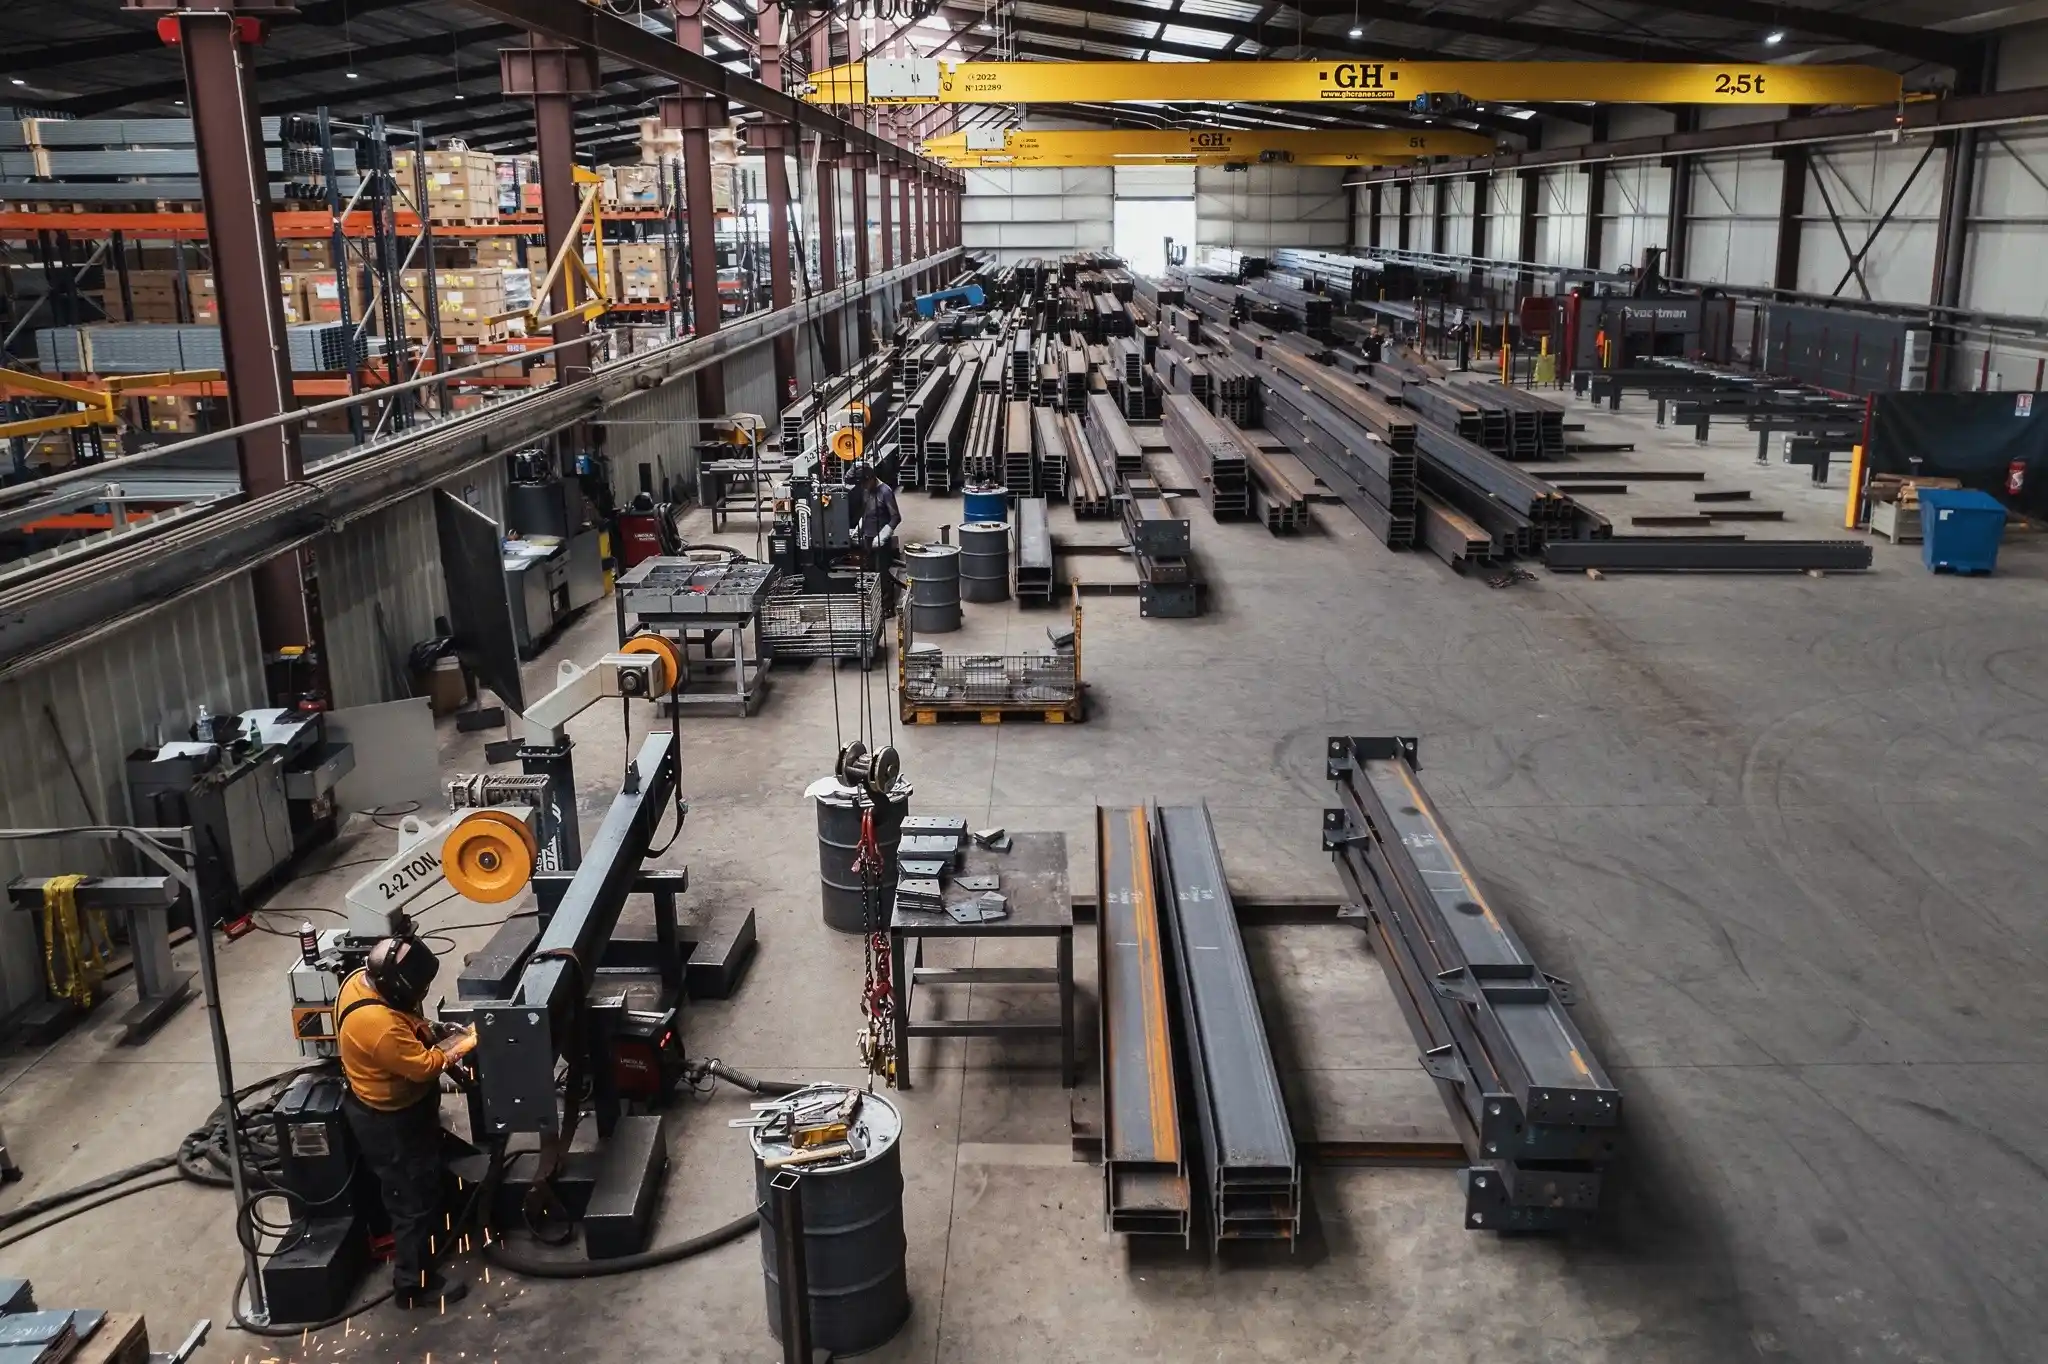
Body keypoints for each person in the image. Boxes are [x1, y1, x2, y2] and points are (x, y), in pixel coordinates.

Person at [335, 935, 476, 1308]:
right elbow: (425, 1066)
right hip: (391, 1121)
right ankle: (414, 1285)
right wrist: (467, 1041)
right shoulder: (376, 1023)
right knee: (411, 1199)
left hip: (393, 1107)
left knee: (419, 1182)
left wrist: (432, 1029)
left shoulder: (361, 982)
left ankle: (430, 1235)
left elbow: (406, 1020)